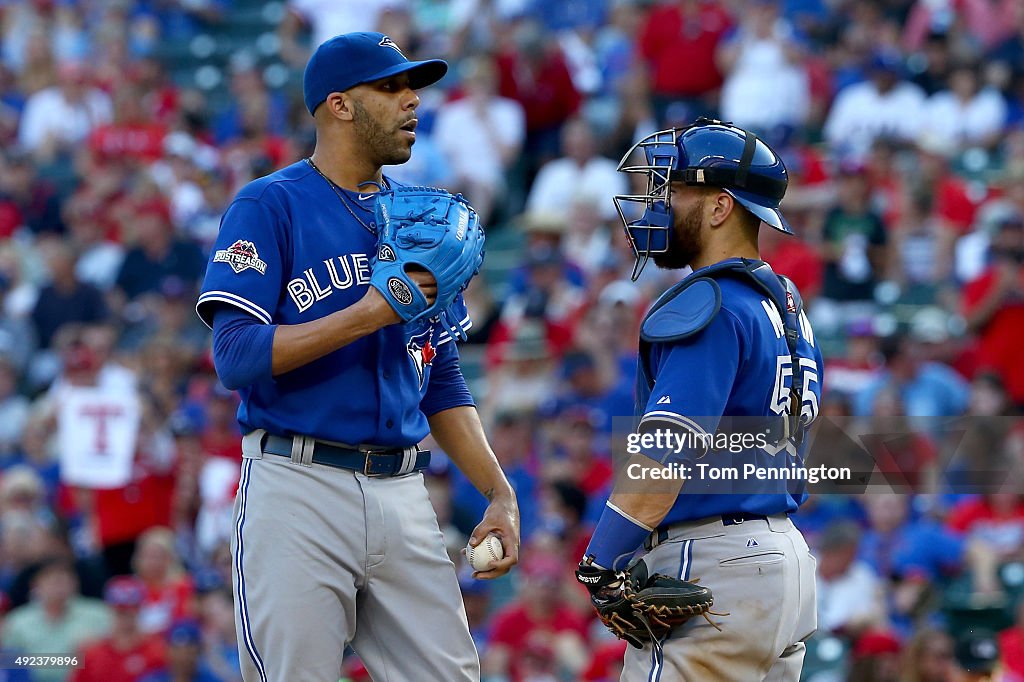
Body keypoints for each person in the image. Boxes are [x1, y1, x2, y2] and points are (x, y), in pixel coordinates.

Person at [194, 32, 519, 682]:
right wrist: (369, 313)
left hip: (403, 492)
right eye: (392, 88)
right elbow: (234, 355)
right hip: (297, 485)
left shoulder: (419, 218)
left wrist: (499, 492)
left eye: (413, 87)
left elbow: (442, 375)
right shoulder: (269, 205)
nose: (412, 102)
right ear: (339, 105)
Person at [576, 119, 822, 680]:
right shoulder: (784, 306)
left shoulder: (709, 303)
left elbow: (667, 448)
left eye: (672, 189)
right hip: (783, 559)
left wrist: (602, 560)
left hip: (717, 562)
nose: (656, 203)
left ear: (719, 207)